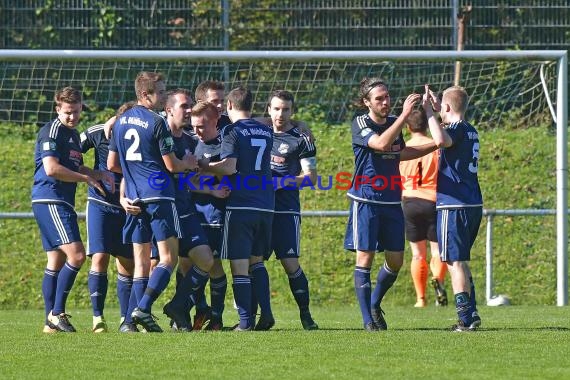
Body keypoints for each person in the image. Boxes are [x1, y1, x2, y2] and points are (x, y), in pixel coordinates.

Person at [107, 71, 198, 332]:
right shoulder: (157, 121)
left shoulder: (121, 121)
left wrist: (135, 175)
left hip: (134, 198)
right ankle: (143, 308)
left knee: (142, 262)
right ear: (145, 95)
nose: (165, 95)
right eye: (161, 91)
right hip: (159, 196)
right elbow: (172, 165)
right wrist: (188, 164)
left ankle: (128, 323)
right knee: (168, 259)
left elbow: (113, 164)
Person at [344, 77, 436, 331]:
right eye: (379, 99)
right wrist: (405, 114)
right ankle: (367, 321)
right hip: (366, 200)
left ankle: (374, 303)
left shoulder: (394, 122)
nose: (385, 102)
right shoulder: (360, 123)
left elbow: (399, 152)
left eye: (387, 97)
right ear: (367, 103)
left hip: (393, 201)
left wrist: (435, 144)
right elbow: (381, 144)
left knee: (396, 261)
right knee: (365, 257)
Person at [32, 86, 114, 333]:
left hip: (59, 201)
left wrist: (95, 172)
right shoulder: (52, 131)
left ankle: (50, 323)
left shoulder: (73, 134)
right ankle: (57, 313)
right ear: (58, 109)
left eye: (76, 112)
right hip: (50, 199)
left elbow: (74, 165)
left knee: (55, 260)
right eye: (67, 112)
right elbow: (52, 169)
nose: (72, 117)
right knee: (77, 255)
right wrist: (86, 179)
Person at [199, 86, 274, 331]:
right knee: (257, 262)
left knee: (239, 265)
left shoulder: (232, 130)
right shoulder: (266, 130)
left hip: (241, 204)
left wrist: (205, 165)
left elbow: (230, 167)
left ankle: (244, 323)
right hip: (266, 204)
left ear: (229, 106)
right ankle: (267, 314)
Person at [159, 89, 226, 332]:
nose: (189, 113)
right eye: (184, 107)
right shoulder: (163, 133)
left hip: (199, 214)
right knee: (167, 263)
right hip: (172, 211)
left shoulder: (202, 140)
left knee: (208, 263)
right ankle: (142, 314)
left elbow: (193, 174)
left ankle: (191, 310)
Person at [422, 84, 483, 331]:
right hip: (472, 203)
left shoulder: (454, 130)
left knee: (453, 261)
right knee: (461, 260)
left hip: (454, 204)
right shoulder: (470, 129)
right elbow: (446, 133)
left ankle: (464, 320)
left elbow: (440, 139)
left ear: (446, 107)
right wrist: (438, 112)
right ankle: (473, 312)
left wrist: (427, 112)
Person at [263, 90, 319, 330]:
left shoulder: (301, 138)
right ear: (268, 110)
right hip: (259, 210)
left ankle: (306, 315)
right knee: (253, 263)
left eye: (286, 109)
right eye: (276, 108)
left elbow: (311, 178)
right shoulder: (257, 133)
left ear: (292, 111)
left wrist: (281, 182)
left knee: (290, 263)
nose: (280, 114)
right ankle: (261, 317)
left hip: (285, 211)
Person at [79, 101, 136, 333]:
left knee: (126, 263)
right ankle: (97, 318)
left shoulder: (137, 136)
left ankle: (125, 319)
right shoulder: (95, 132)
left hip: (127, 206)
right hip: (100, 204)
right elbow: (68, 155)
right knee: (99, 257)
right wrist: (93, 174)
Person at [399, 109, 448, 308]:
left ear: (408, 127)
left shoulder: (403, 149)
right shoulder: (434, 147)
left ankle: (420, 299)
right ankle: (438, 280)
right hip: (433, 201)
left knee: (418, 254)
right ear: (426, 126)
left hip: (410, 201)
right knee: (437, 251)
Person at [191, 100, 230, 331]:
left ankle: (216, 318)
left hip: (214, 215)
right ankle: (196, 312)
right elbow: (185, 181)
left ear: (215, 121)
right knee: (187, 266)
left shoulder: (225, 146)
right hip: (192, 214)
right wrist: (207, 187)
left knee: (214, 266)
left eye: (202, 126)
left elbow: (228, 176)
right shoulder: (190, 143)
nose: (197, 131)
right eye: (193, 125)